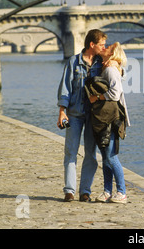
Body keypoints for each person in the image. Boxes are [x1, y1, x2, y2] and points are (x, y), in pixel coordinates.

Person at [57, 29, 107, 202]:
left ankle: (85, 191)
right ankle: (69, 191)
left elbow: (116, 75)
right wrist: (62, 111)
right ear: (91, 45)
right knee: (71, 152)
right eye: (101, 44)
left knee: (90, 154)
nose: (104, 47)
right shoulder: (73, 62)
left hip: (94, 115)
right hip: (74, 114)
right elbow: (65, 88)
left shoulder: (102, 63)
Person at [88, 42, 130, 204]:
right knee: (106, 157)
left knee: (111, 157)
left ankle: (121, 192)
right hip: (104, 117)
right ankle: (107, 191)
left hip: (111, 118)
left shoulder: (111, 69)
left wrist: (96, 98)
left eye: (108, 47)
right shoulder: (106, 66)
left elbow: (115, 93)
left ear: (113, 54)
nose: (104, 48)